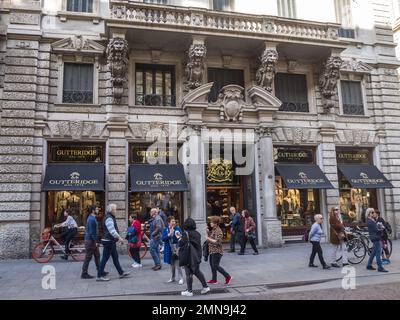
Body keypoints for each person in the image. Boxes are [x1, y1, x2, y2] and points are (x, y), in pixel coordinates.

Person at [96, 204, 131, 281]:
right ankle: (99, 276)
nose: (116, 211)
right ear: (111, 210)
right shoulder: (109, 218)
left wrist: (118, 239)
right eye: (115, 209)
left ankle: (121, 273)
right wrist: (120, 238)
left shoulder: (109, 217)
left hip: (110, 241)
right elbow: (112, 231)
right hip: (108, 241)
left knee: (115, 258)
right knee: (105, 259)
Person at [177, 218, 210, 297]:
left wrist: (179, 237)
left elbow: (181, 243)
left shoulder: (186, 234)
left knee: (188, 273)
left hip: (188, 255)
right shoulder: (197, 233)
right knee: (196, 271)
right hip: (196, 255)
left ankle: (190, 291)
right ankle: (205, 286)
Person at [81, 205, 108, 279]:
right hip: (90, 241)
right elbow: (92, 232)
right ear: (93, 210)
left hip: (90, 240)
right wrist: (96, 241)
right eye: (96, 209)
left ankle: (100, 270)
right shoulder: (91, 219)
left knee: (97, 255)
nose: (98, 210)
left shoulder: (91, 218)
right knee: (88, 257)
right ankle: (84, 273)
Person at [206, 216, 232, 285]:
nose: (210, 223)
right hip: (212, 250)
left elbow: (217, 242)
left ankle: (228, 276)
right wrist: (208, 232)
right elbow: (212, 237)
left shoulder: (219, 231)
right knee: (212, 265)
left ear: (216, 223)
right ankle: (214, 280)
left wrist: (208, 238)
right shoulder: (214, 229)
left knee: (216, 265)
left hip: (217, 251)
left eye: (211, 222)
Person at [162, 216, 184, 285]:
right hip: (169, 248)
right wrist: (169, 234)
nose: (174, 223)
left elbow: (180, 238)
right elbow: (163, 239)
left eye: (174, 221)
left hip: (176, 248)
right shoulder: (165, 229)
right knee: (172, 264)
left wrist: (178, 235)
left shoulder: (177, 229)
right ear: (169, 222)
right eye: (172, 221)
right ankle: (172, 277)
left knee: (178, 264)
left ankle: (181, 278)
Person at [366, 208, 388, 273]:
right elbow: (376, 230)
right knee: (378, 253)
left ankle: (369, 265)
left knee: (373, 252)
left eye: (373, 212)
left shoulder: (371, 220)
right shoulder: (370, 221)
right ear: (369, 213)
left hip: (374, 237)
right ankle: (380, 267)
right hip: (376, 238)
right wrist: (382, 228)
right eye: (372, 212)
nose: (374, 213)